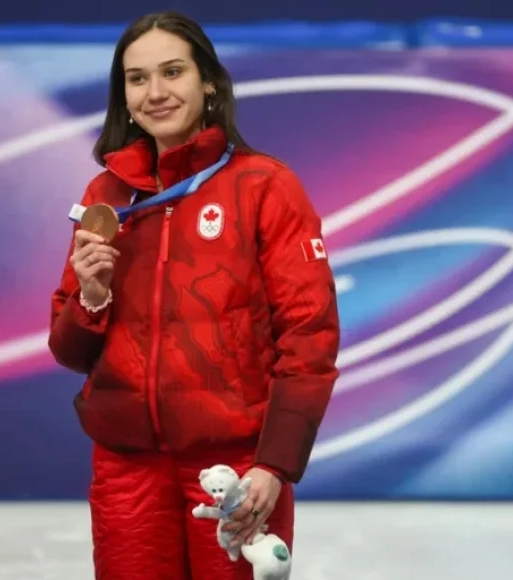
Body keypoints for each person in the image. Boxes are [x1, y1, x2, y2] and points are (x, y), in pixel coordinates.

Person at [47, 11, 340, 580]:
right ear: (123, 94)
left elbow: (310, 337)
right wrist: (92, 296)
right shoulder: (105, 194)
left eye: (172, 72)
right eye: (137, 79)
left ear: (208, 81)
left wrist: (274, 465)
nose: (155, 92)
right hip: (125, 468)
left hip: (234, 469)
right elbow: (69, 352)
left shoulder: (265, 186)